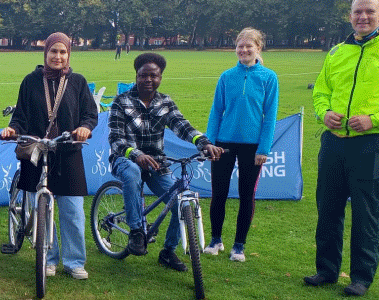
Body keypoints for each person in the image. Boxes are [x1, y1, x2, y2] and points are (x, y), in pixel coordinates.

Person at [304, 0, 379, 297]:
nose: (362, 17)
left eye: (369, 12)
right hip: (333, 143)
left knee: (366, 212)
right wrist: (325, 114)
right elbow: (321, 92)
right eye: (357, 12)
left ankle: (361, 277)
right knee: (328, 208)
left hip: (371, 144)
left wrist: (373, 119)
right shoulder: (336, 53)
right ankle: (327, 270)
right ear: (350, 15)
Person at [108, 52, 221, 272]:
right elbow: (115, 139)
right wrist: (135, 154)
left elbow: (183, 126)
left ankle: (168, 252)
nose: (148, 80)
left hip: (157, 164)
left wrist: (204, 143)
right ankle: (136, 232)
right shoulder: (121, 101)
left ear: (160, 77)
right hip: (126, 159)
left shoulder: (165, 102)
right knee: (131, 171)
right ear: (136, 76)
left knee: (182, 201)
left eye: (154, 76)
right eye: (143, 75)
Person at [0, 33, 97, 279]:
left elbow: (89, 113)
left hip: (68, 153)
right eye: (54, 51)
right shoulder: (31, 81)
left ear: (69, 55)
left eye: (63, 52)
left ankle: (74, 261)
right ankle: (48, 258)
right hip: (37, 152)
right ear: (45, 53)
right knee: (40, 208)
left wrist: (85, 127)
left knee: (72, 211)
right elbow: (20, 116)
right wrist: (12, 129)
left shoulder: (78, 81)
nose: (58, 57)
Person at [204, 28, 279, 262]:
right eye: (240, 46)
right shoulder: (226, 76)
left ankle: (239, 246)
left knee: (247, 195)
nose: (244, 50)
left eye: (249, 46)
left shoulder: (268, 77)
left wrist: (263, 149)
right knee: (219, 193)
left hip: (252, 146)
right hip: (223, 143)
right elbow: (216, 111)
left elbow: (270, 116)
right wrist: (208, 143)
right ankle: (216, 240)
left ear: (258, 48)